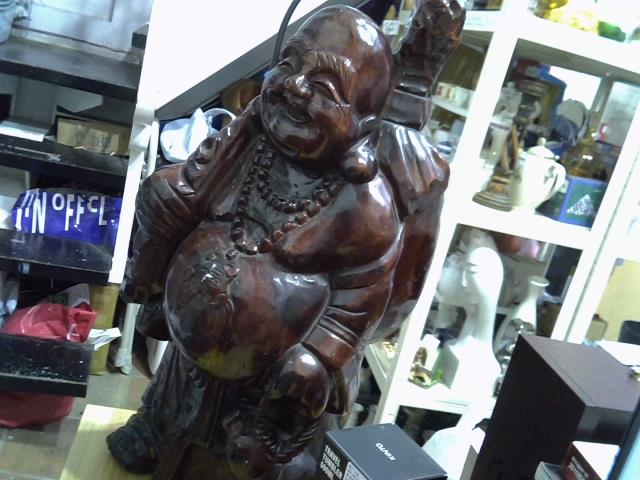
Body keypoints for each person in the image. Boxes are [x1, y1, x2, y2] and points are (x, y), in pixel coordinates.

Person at [108, 3, 462, 479]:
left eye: (323, 87)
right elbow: (188, 188)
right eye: (289, 66)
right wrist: (159, 231)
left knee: (265, 449)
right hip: (196, 338)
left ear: (364, 127)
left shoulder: (365, 202)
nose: (295, 87)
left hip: (278, 374)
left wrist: (318, 356)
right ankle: (156, 429)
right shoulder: (248, 140)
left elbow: (362, 296)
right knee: (177, 395)